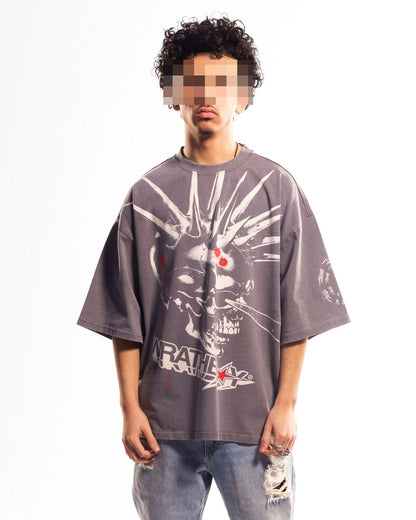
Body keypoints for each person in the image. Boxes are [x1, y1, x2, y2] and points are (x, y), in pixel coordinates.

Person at [76, 15, 351, 520]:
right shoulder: (144, 197)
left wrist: (287, 404)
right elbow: (123, 318)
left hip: (256, 430)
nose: (208, 95)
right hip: (163, 432)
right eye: (193, 82)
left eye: (224, 84)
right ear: (172, 94)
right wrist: (129, 409)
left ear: (243, 97)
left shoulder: (278, 189)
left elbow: (300, 309)